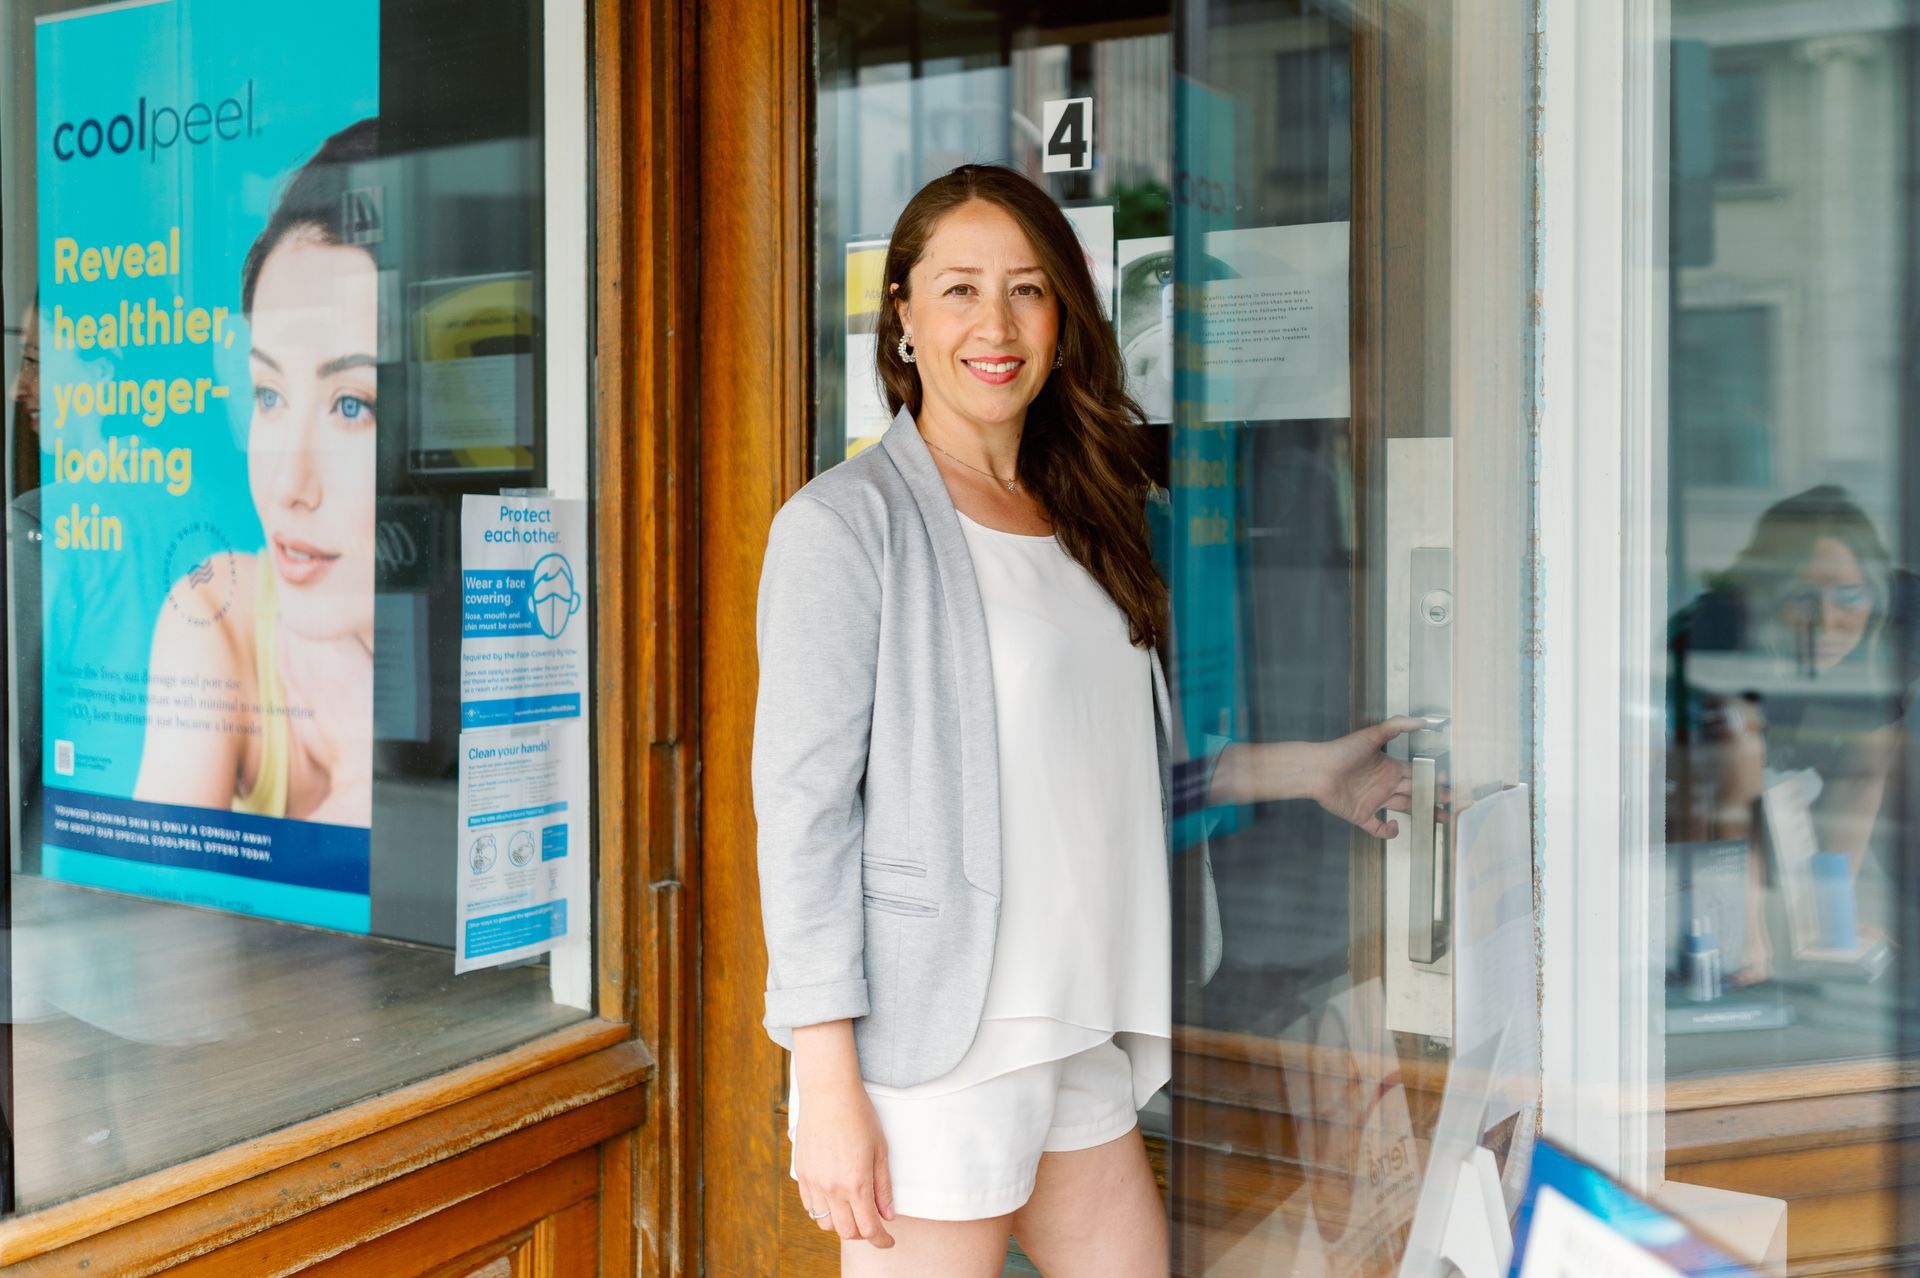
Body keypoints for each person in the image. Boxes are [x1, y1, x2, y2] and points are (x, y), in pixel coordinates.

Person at [753, 163, 1422, 1276]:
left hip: (1081, 1016)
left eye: (1027, 289)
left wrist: (1312, 771)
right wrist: (826, 1085)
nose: (996, 323)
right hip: (945, 1048)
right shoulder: (843, 528)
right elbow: (802, 816)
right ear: (904, 319)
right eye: (959, 290)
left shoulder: (1089, 518)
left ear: (1064, 319)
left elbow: (1110, 766)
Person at [132, 120, 378, 827]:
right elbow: (154, 920)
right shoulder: (220, 613)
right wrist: (362, 784)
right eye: (268, 395)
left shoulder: (495, 643)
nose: (286, 485)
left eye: (352, 405)